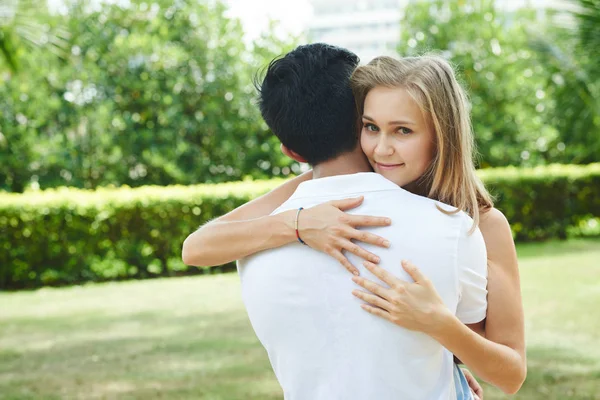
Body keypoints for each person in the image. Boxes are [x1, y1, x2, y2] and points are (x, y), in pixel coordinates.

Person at [183, 44, 525, 398]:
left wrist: (441, 329)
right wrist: (298, 224)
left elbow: (508, 372)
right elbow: (196, 248)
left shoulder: (476, 224)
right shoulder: (311, 199)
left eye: (403, 131)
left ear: (442, 135)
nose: (381, 149)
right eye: (371, 127)